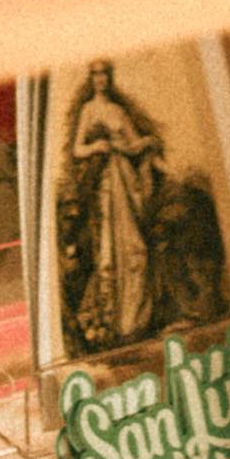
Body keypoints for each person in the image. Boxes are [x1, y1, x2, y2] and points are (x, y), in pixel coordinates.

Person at [62, 59, 165, 351]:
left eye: (104, 75)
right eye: (95, 75)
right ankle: (115, 324)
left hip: (125, 183)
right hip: (106, 186)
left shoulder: (118, 111)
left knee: (135, 249)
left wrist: (146, 143)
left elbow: (132, 145)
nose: (100, 80)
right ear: (91, 79)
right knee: (109, 251)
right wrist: (97, 147)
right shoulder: (89, 110)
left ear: (109, 78)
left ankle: (136, 321)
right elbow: (77, 148)